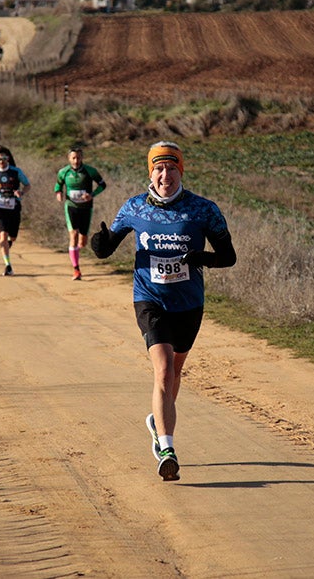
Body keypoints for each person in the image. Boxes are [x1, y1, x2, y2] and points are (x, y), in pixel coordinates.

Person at [91, 141, 236, 481]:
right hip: (149, 298)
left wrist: (203, 258)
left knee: (176, 370)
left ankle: (157, 423)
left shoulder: (203, 210)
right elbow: (109, 245)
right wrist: (99, 245)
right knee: (164, 369)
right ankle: (167, 449)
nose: (164, 174)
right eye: (158, 168)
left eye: (171, 168)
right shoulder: (135, 208)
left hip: (188, 304)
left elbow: (228, 256)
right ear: (150, 172)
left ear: (180, 171)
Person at [54, 147, 107, 280]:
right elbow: (58, 185)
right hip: (71, 206)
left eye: (78, 157)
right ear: (69, 158)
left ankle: (76, 252)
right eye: (73, 158)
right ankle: (76, 269)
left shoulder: (90, 171)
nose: (76, 160)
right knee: (73, 235)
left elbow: (102, 185)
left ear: (82, 158)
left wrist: (92, 195)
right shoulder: (63, 172)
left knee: (82, 241)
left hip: (86, 208)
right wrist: (58, 193)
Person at [0, 152, 30, 275]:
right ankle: (8, 265)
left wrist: (21, 193)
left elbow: (27, 185)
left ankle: (6, 243)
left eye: (3, 159)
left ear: (7, 159)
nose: (1, 162)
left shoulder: (16, 171)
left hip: (14, 205)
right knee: (3, 235)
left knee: (13, 236)